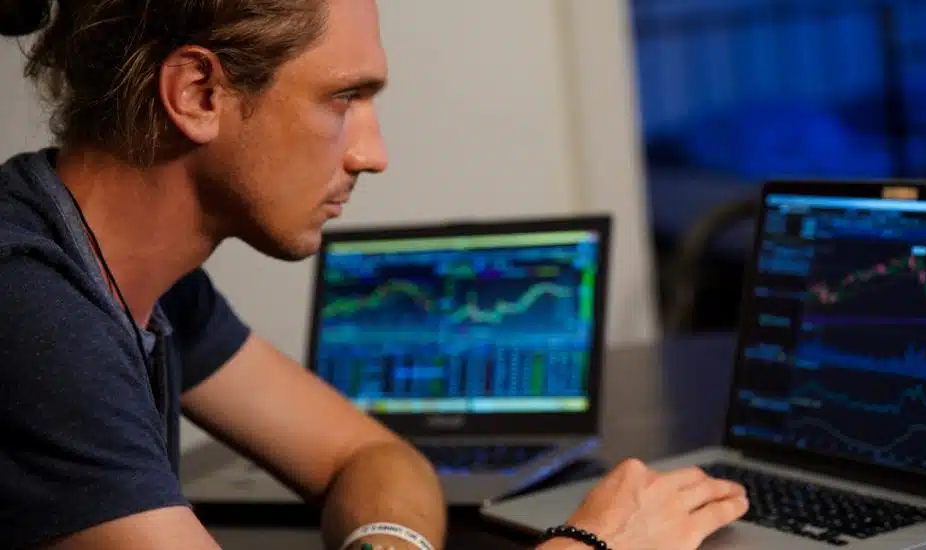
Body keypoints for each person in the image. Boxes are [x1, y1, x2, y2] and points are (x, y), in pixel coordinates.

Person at [0, 0, 750, 549]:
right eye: (345, 98)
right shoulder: (30, 306)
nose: (372, 153)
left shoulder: (153, 285)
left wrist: (387, 543)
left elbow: (371, 455)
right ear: (199, 93)